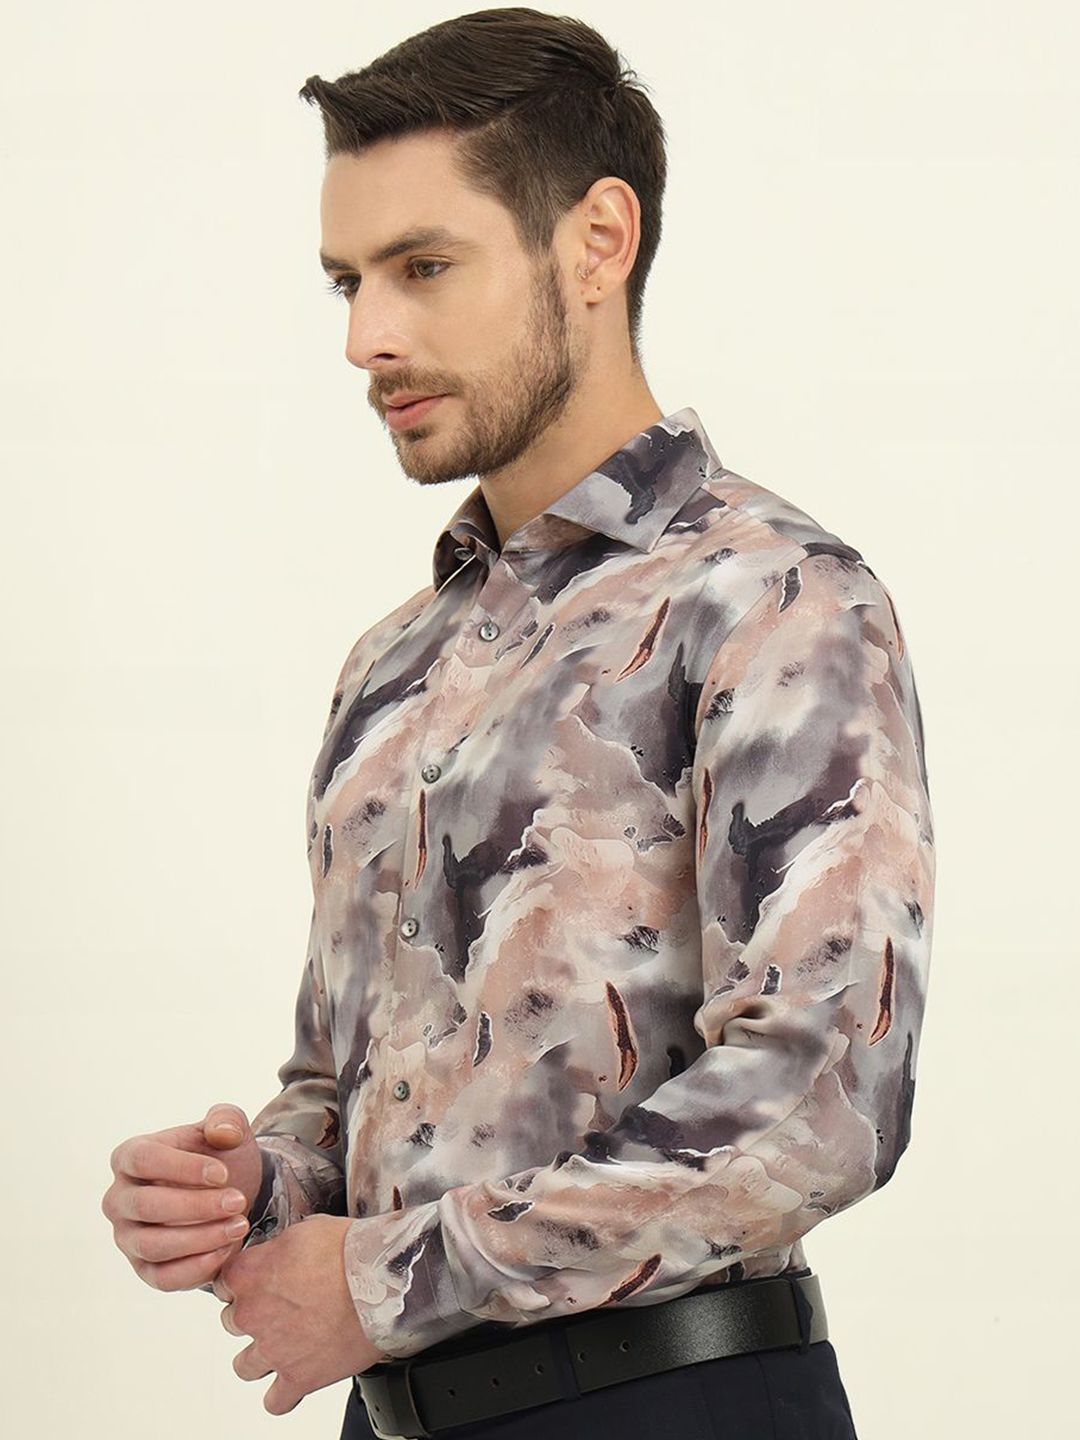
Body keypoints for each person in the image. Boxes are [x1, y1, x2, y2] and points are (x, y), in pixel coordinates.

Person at [101, 9, 935, 1437]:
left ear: (597, 242)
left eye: (423, 267)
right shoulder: (394, 665)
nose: (368, 337)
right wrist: (254, 1186)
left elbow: (825, 1098)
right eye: (347, 282)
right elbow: (349, 1088)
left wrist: (386, 1282)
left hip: (674, 1405)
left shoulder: (775, 598)